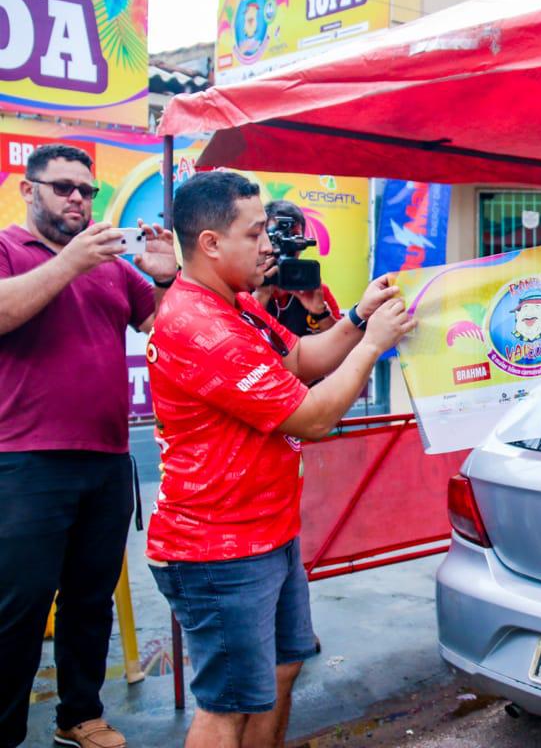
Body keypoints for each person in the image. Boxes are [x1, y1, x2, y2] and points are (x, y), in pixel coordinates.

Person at [145, 171, 414, 748]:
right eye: (257, 232)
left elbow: (302, 357)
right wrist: (372, 346)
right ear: (211, 243)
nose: (271, 245)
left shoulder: (239, 307)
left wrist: (360, 317)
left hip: (268, 531)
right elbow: (313, 418)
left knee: (283, 667)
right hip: (217, 548)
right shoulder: (199, 326)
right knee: (227, 706)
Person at [0, 144, 177, 748]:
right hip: (24, 460)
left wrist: (163, 277)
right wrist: (68, 263)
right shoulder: (9, 249)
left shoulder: (107, 264)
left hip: (105, 458)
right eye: (63, 187)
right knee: (18, 609)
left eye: (87, 190)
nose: (78, 198)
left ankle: (79, 715)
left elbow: (167, 326)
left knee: (90, 599)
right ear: (29, 191)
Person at [254, 201, 341, 337]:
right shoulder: (242, 287)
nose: (286, 245)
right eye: (277, 237)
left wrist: (321, 313)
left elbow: (341, 345)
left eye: (294, 237)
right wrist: (260, 295)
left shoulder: (315, 290)